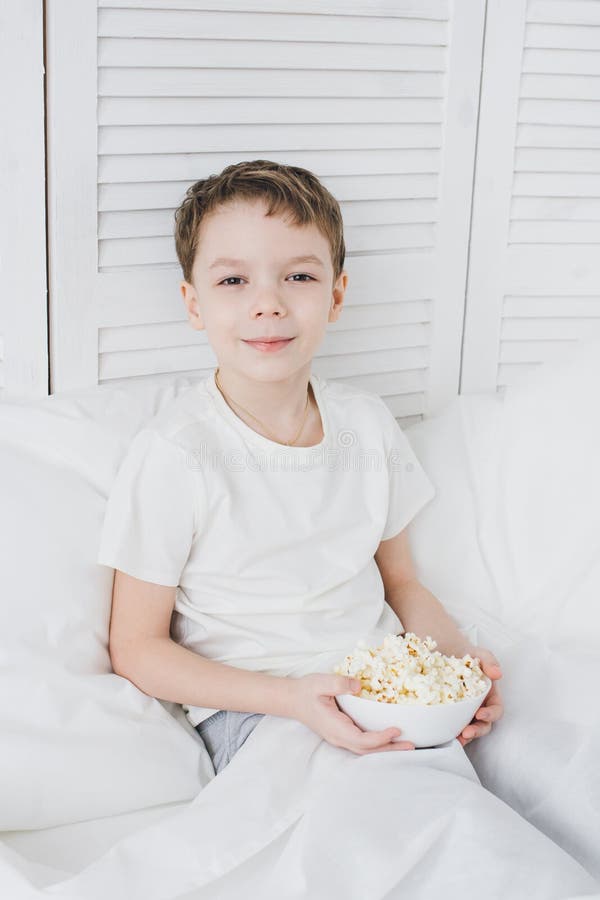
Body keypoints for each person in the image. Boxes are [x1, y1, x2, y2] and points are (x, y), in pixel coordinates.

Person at [97, 159, 504, 777]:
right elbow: (137, 648)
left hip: (383, 695)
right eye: (233, 282)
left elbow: (403, 586)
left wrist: (455, 671)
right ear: (194, 303)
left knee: (463, 826)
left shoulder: (367, 424)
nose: (268, 304)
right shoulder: (176, 452)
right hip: (261, 712)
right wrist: (293, 699)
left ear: (336, 294)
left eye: (299, 276)